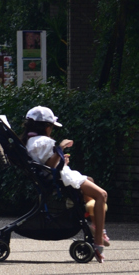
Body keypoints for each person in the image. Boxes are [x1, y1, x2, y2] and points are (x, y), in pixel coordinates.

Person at [23, 105, 109, 262]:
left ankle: (96, 225)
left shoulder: (31, 141)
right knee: (102, 194)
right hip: (62, 178)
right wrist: (60, 148)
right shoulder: (44, 142)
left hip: (58, 176)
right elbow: (50, 165)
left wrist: (62, 158)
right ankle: (98, 239)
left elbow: (46, 163)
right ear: (46, 126)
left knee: (90, 182)